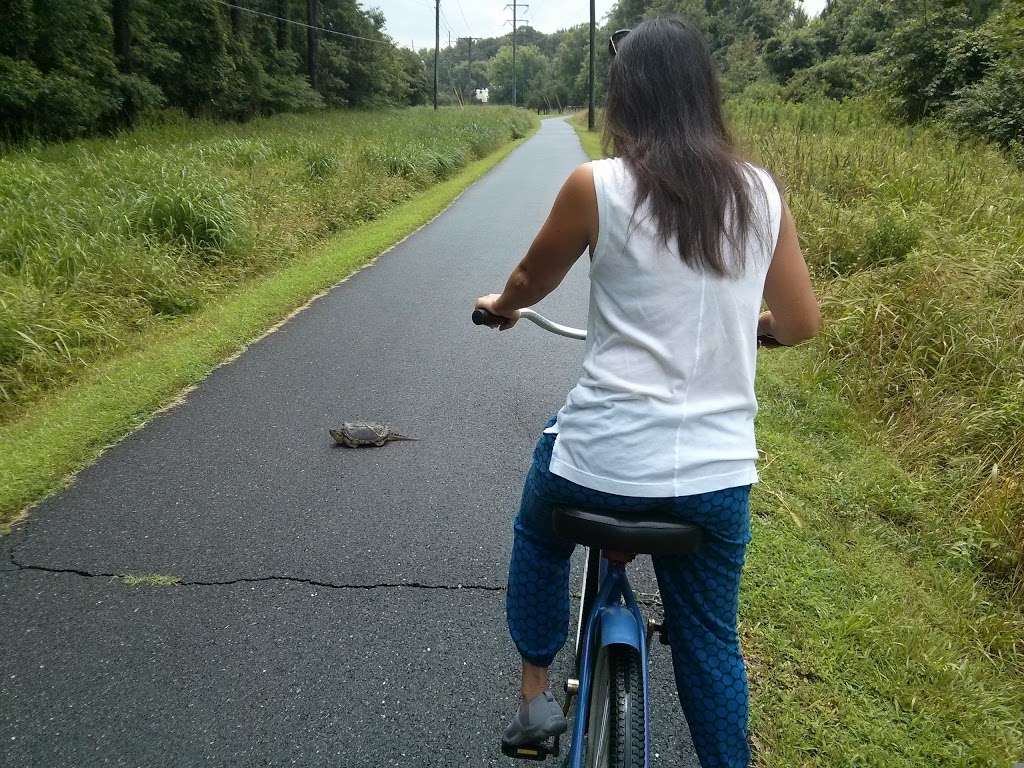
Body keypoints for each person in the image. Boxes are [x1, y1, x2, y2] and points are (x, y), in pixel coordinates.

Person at [475, 17, 820, 768]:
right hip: (715, 478)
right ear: (705, 92)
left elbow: (533, 280)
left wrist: (502, 306)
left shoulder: (595, 186)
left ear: (624, 97)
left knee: (539, 533)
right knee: (711, 644)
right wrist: (748, 330)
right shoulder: (760, 194)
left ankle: (536, 693)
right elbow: (799, 322)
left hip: (597, 462)